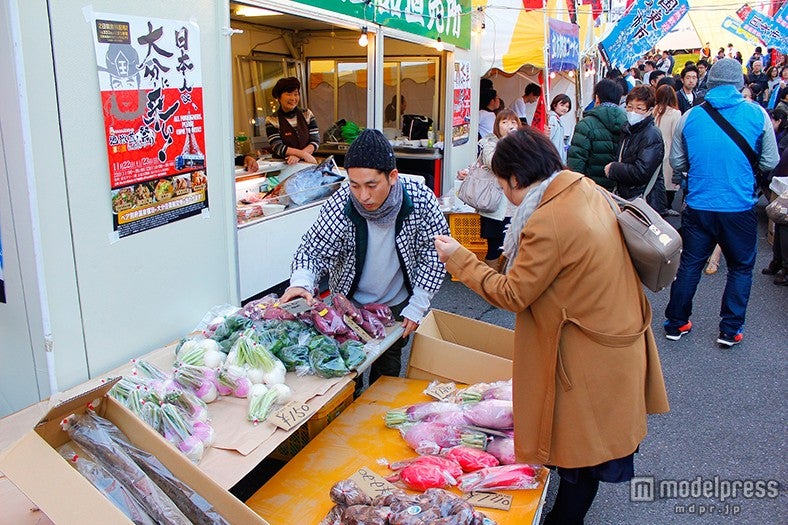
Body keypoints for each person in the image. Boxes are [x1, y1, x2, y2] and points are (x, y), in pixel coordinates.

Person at [434, 127, 669, 525]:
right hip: (609, 340)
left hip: (587, 355)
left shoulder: (549, 221)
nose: (504, 194)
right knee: (587, 451)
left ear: (514, 179)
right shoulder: (582, 188)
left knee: (583, 457)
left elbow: (513, 294)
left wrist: (460, 259)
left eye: (501, 183)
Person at [280, 129, 448, 391]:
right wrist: (301, 281)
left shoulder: (420, 200)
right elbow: (312, 249)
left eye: (371, 185)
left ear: (392, 176)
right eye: (354, 185)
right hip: (348, 305)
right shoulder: (341, 204)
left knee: (387, 370)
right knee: (347, 371)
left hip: (396, 304)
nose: (363, 196)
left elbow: (435, 254)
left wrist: (418, 304)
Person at [663, 58, 779, 348]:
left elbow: (676, 161)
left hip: (699, 205)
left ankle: (676, 323)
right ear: (739, 85)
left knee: (690, 264)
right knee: (740, 268)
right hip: (739, 206)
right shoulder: (758, 114)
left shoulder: (690, 117)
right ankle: (730, 330)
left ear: (709, 82)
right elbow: (770, 160)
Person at [457, 109, 520, 268]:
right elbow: (496, 164)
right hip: (495, 206)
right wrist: (510, 143)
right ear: (497, 126)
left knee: (514, 247)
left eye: (513, 122)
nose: (509, 126)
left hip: (515, 206)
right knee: (495, 247)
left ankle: (505, 283)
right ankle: (491, 285)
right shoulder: (490, 143)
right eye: (504, 122)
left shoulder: (523, 145)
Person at [604, 85, 667, 214]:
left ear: (649, 110)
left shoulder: (651, 134)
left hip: (646, 201)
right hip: (629, 197)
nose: (633, 112)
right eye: (630, 107)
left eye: (639, 108)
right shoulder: (628, 130)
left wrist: (614, 168)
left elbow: (642, 171)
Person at [567, 78, 627, 193]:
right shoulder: (628, 123)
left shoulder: (586, 124)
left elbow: (577, 161)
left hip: (591, 189)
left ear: (597, 98)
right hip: (618, 190)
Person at [265, 77, 320, 165]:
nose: (293, 98)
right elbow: (277, 146)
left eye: (296, 94)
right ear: (279, 97)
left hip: (306, 164)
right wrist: (303, 154)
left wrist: (299, 156)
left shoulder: (307, 113)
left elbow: (315, 141)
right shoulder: (272, 119)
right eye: (289, 94)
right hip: (283, 165)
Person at [654, 84, 682, 214]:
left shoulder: (652, 111)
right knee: (668, 181)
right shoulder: (675, 113)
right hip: (669, 149)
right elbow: (676, 135)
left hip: (654, 149)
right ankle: (667, 206)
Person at [548, 94, 572, 164]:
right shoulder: (552, 119)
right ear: (554, 105)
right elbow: (549, 138)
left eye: (567, 107)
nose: (564, 108)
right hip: (553, 158)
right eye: (562, 105)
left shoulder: (556, 119)